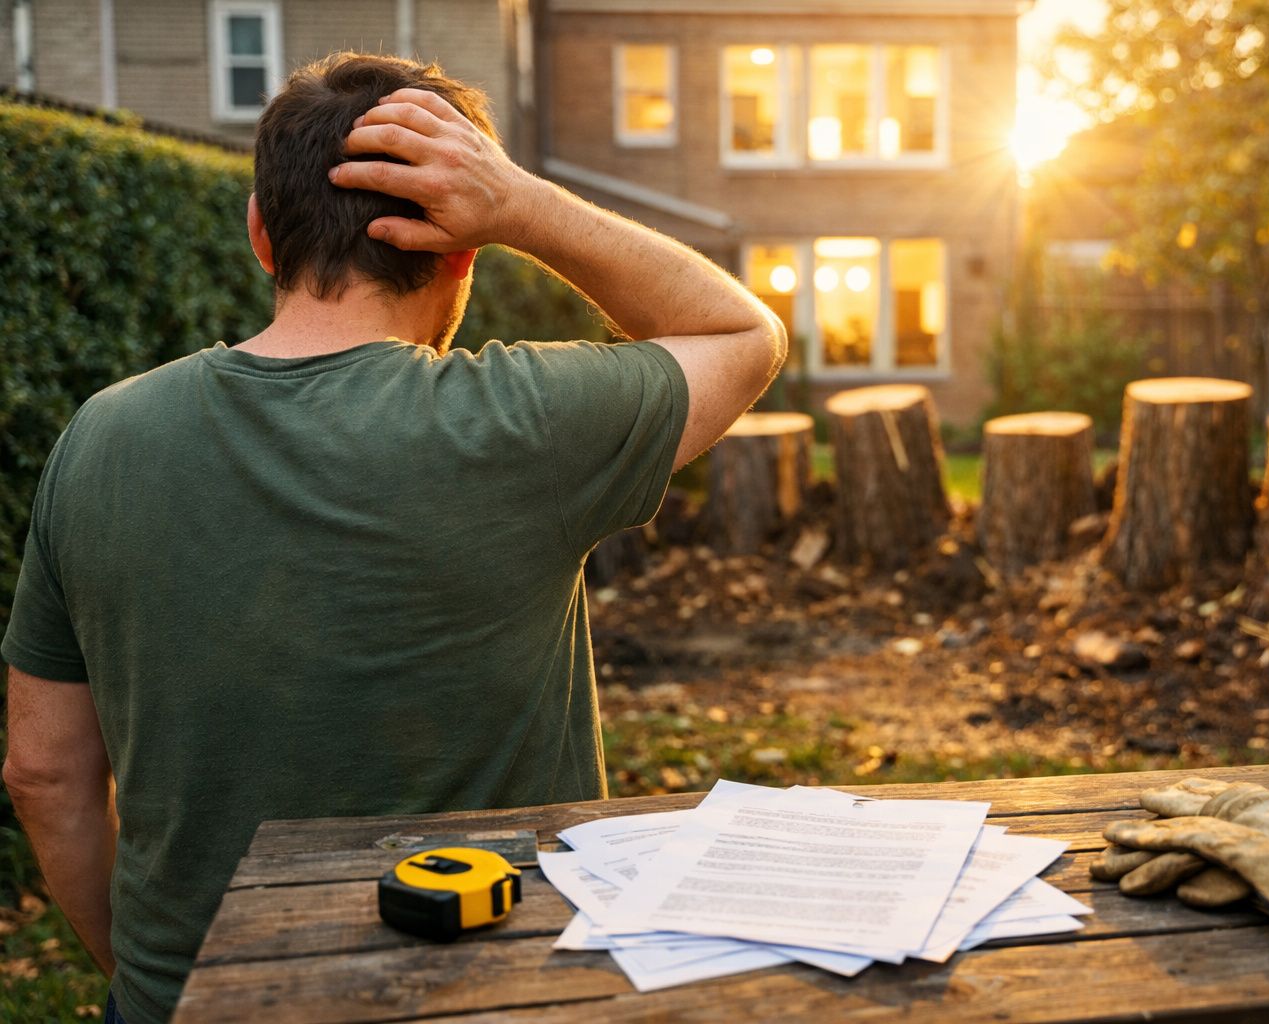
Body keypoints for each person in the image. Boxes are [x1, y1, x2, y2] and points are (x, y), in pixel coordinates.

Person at [1, 52, 785, 1024]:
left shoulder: (98, 438)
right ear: (463, 249)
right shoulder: (521, 420)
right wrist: (525, 207)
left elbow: (42, 770)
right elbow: (742, 335)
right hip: (492, 997)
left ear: (259, 234)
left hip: (191, 1001)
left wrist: (164, 979)